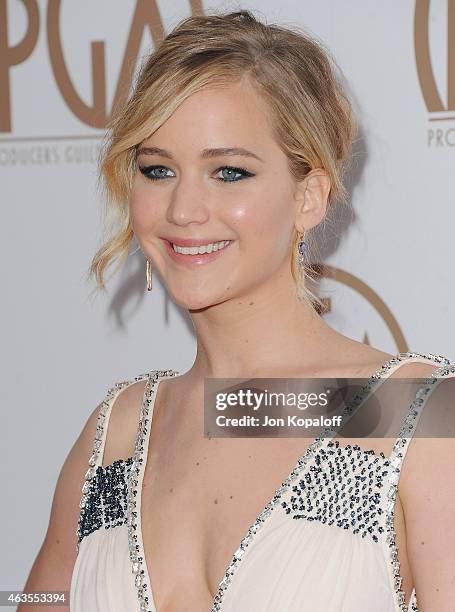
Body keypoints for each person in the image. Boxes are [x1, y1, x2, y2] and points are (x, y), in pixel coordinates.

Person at [19, 9, 454, 612]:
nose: (184, 209)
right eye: (158, 170)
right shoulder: (116, 431)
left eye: (229, 172)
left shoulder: (415, 416)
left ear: (309, 196)